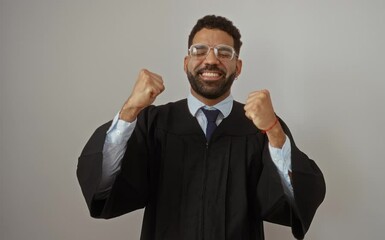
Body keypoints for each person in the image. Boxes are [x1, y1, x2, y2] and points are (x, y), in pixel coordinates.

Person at [77, 15, 325, 240]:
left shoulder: (260, 126)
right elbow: (104, 184)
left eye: (224, 52)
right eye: (200, 50)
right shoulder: (153, 123)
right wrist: (130, 110)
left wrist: (273, 130)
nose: (211, 59)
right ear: (186, 62)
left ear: (238, 67)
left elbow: (300, 197)